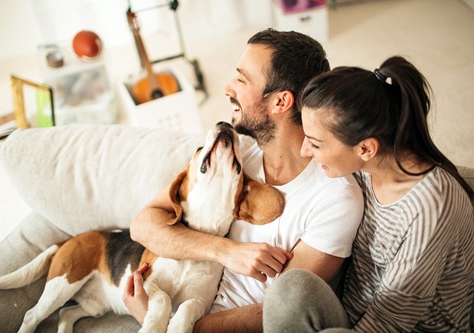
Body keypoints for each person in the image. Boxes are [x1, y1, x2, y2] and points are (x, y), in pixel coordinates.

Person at [123, 29, 364, 331]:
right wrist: (226, 251)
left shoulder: (336, 198)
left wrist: (167, 324)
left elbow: (280, 310)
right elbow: (143, 224)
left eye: (241, 79)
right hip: (181, 301)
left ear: (280, 102)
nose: (227, 87)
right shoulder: (237, 151)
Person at [263, 56, 474, 332]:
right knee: (289, 289)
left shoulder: (431, 207)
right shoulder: (364, 167)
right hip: (352, 306)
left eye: (315, 144)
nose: (305, 151)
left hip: (400, 326)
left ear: (365, 149)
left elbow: (391, 322)